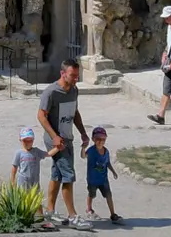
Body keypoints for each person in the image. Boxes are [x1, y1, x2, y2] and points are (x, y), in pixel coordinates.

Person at [36, 56, 91, 230]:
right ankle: (73, 216)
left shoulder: (74, 90)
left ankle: (50, 211)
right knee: (68, 175)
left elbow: (75, 112)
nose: (76, 79)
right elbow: (41, 116)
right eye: (73, 75)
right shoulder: (51, 92)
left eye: (77, 76)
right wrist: (54, 137)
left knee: (58, 174)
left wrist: (83, 133)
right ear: (62, 73)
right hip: (56, 141)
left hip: (67, 137)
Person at [84, 126, 118, 224]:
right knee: (91, 194)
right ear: (93, 139)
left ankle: (113, 214)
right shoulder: (91, 150)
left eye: (103, 139)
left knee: (108, 195)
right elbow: (83, 156)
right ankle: (89, 209)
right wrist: (83, 148)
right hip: (92, 180)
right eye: (98, 139)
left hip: (103, 179)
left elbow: (107, 163)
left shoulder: (106, 151)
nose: (101, 141)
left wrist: (113, 171)